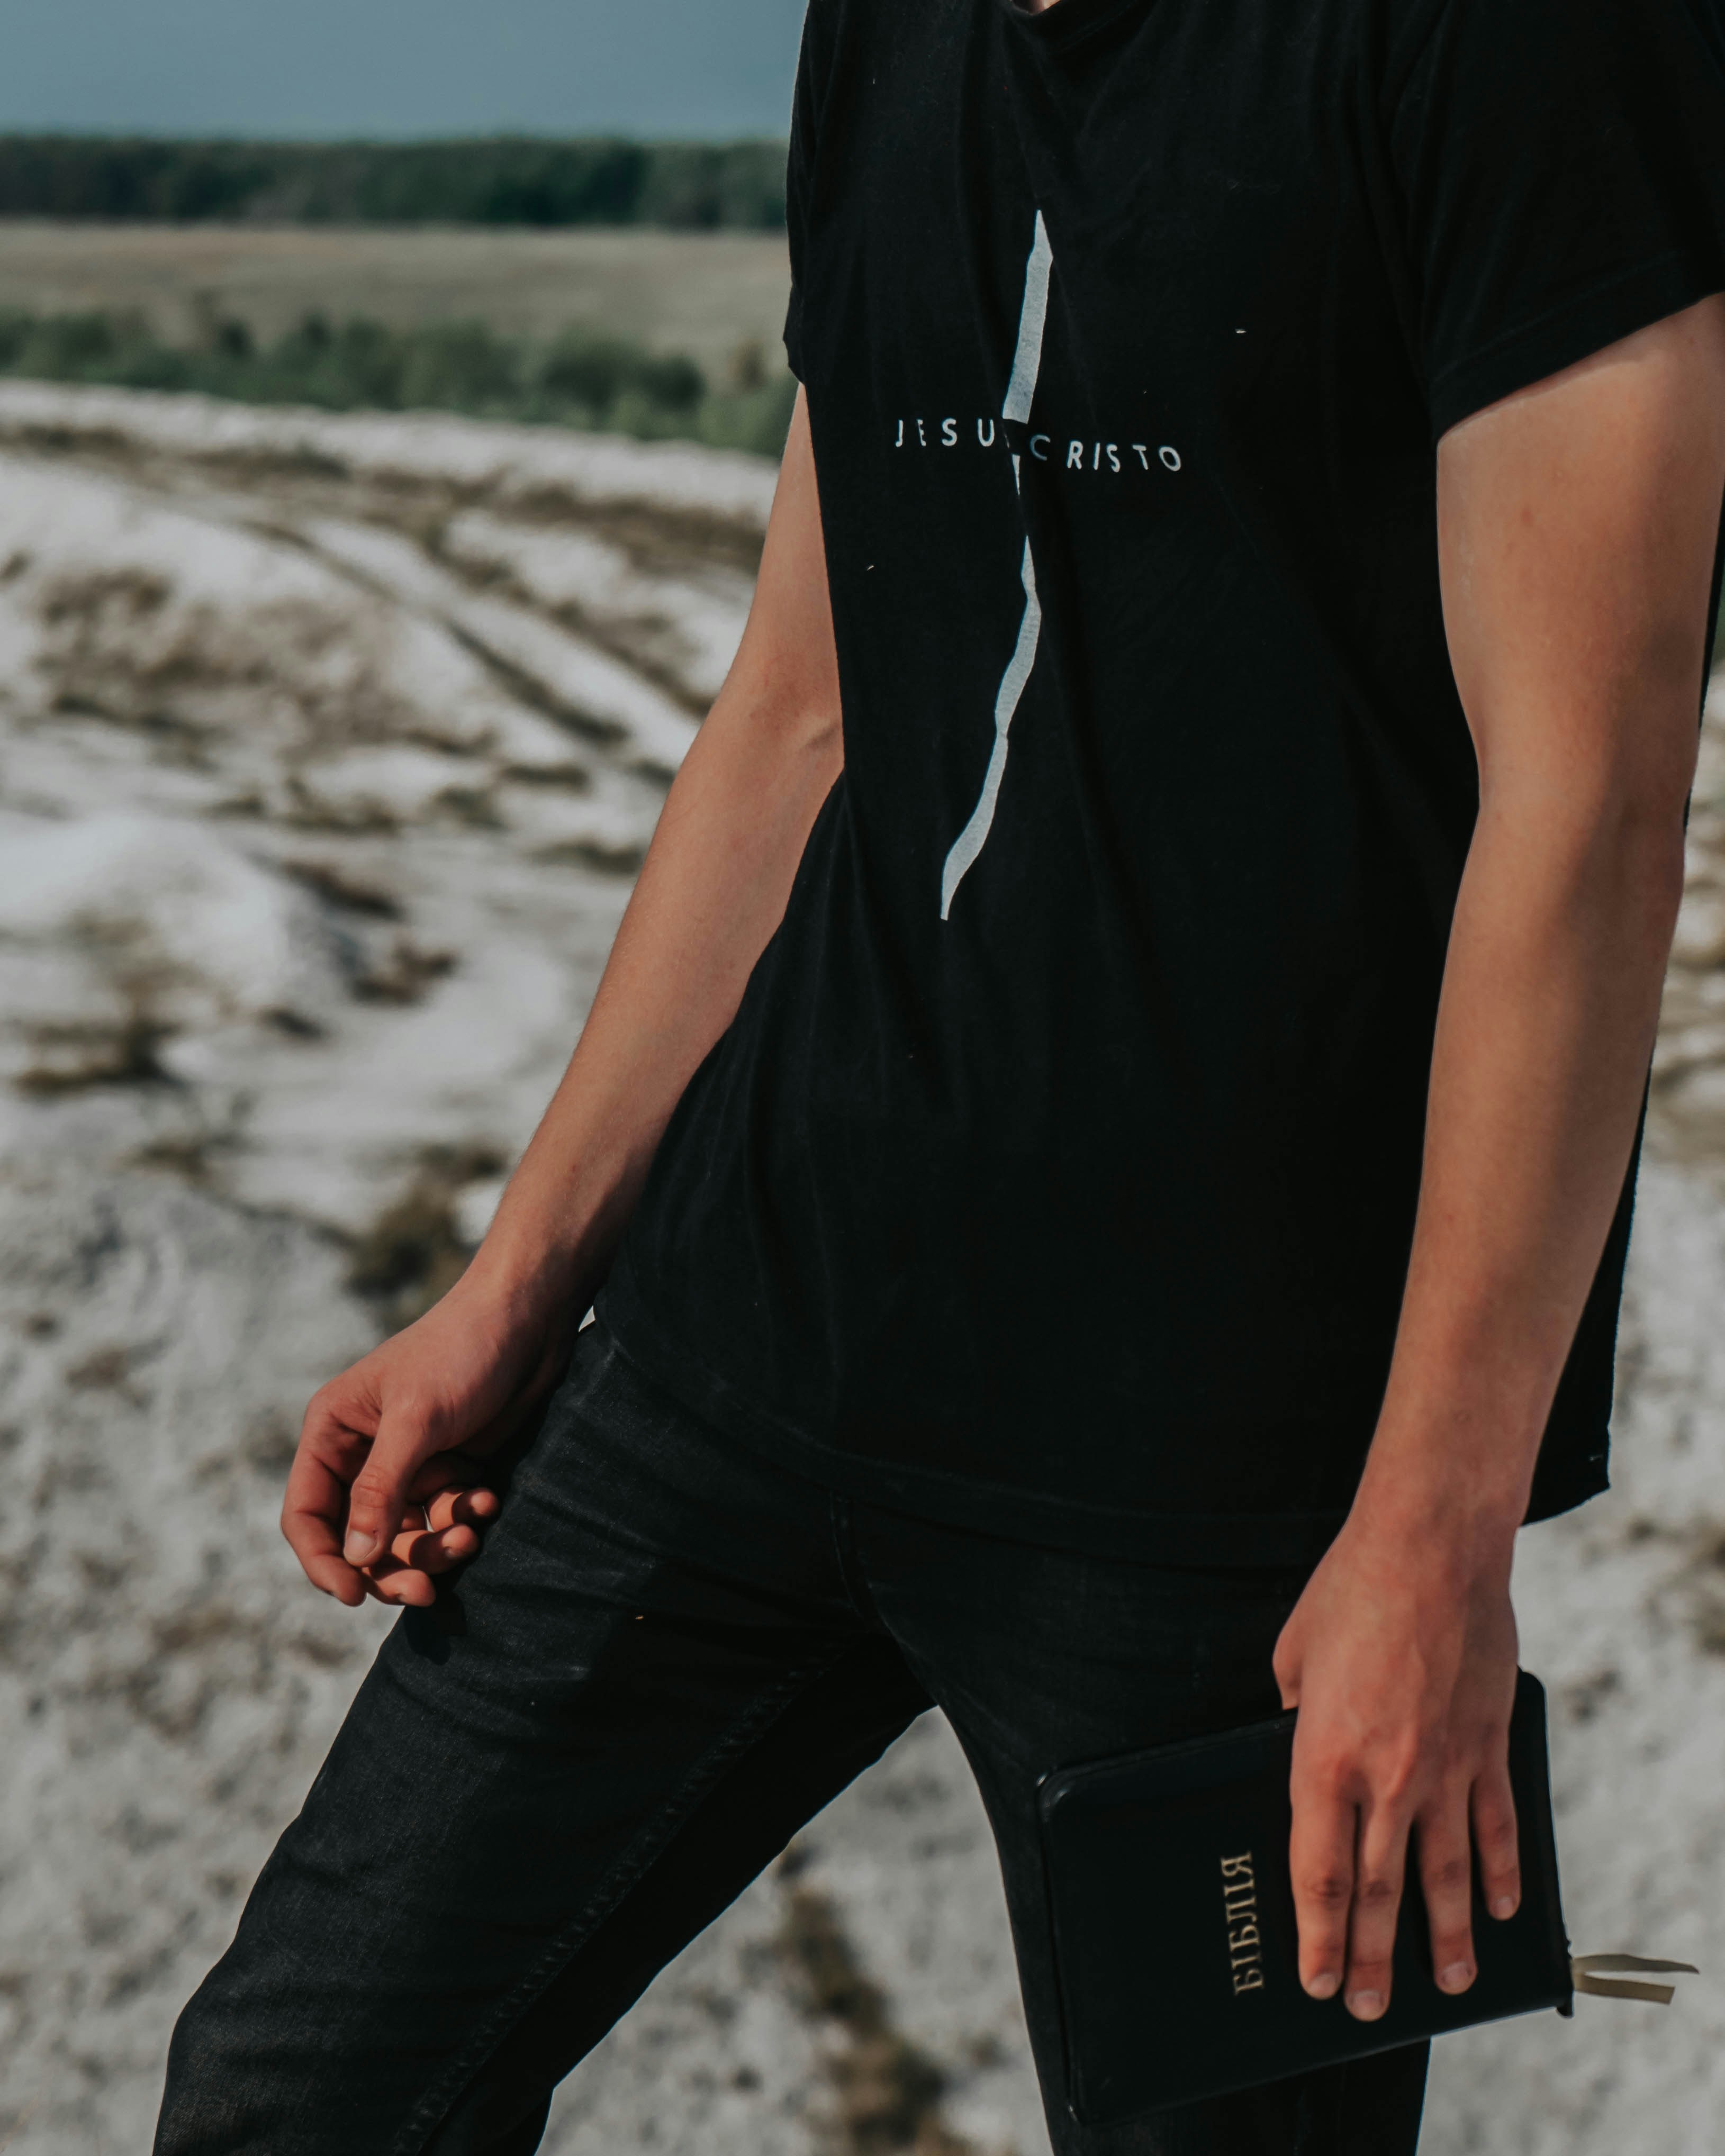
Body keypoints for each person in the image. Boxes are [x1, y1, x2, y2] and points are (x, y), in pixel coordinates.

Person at [155, 0, 1725, 2149]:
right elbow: (797, 708)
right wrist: (512, 1287)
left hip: (1217, 1498)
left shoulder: (1524, 45)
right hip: (744, 1340)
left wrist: (1433, 1533)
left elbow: (1585, 808)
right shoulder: (887, 23)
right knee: (292, 2090)